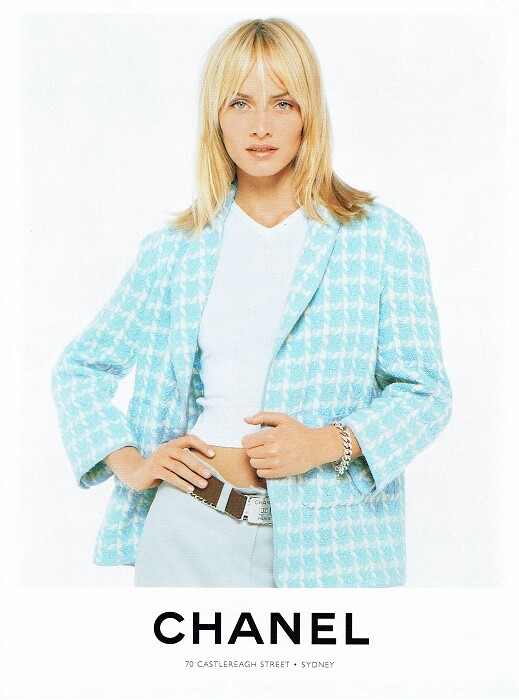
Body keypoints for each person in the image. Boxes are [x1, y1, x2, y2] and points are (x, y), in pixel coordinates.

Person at [51, 17, 452, 588]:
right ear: (216, 115)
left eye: (282, 103)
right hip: (188, 531)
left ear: (309, 113)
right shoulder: (175, 250)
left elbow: (426, 392)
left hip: (332, 545)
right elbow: (80, 369)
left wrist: (323, 443)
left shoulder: (381, 239)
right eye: (240, 103)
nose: (260, 126)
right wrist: (130, 462)